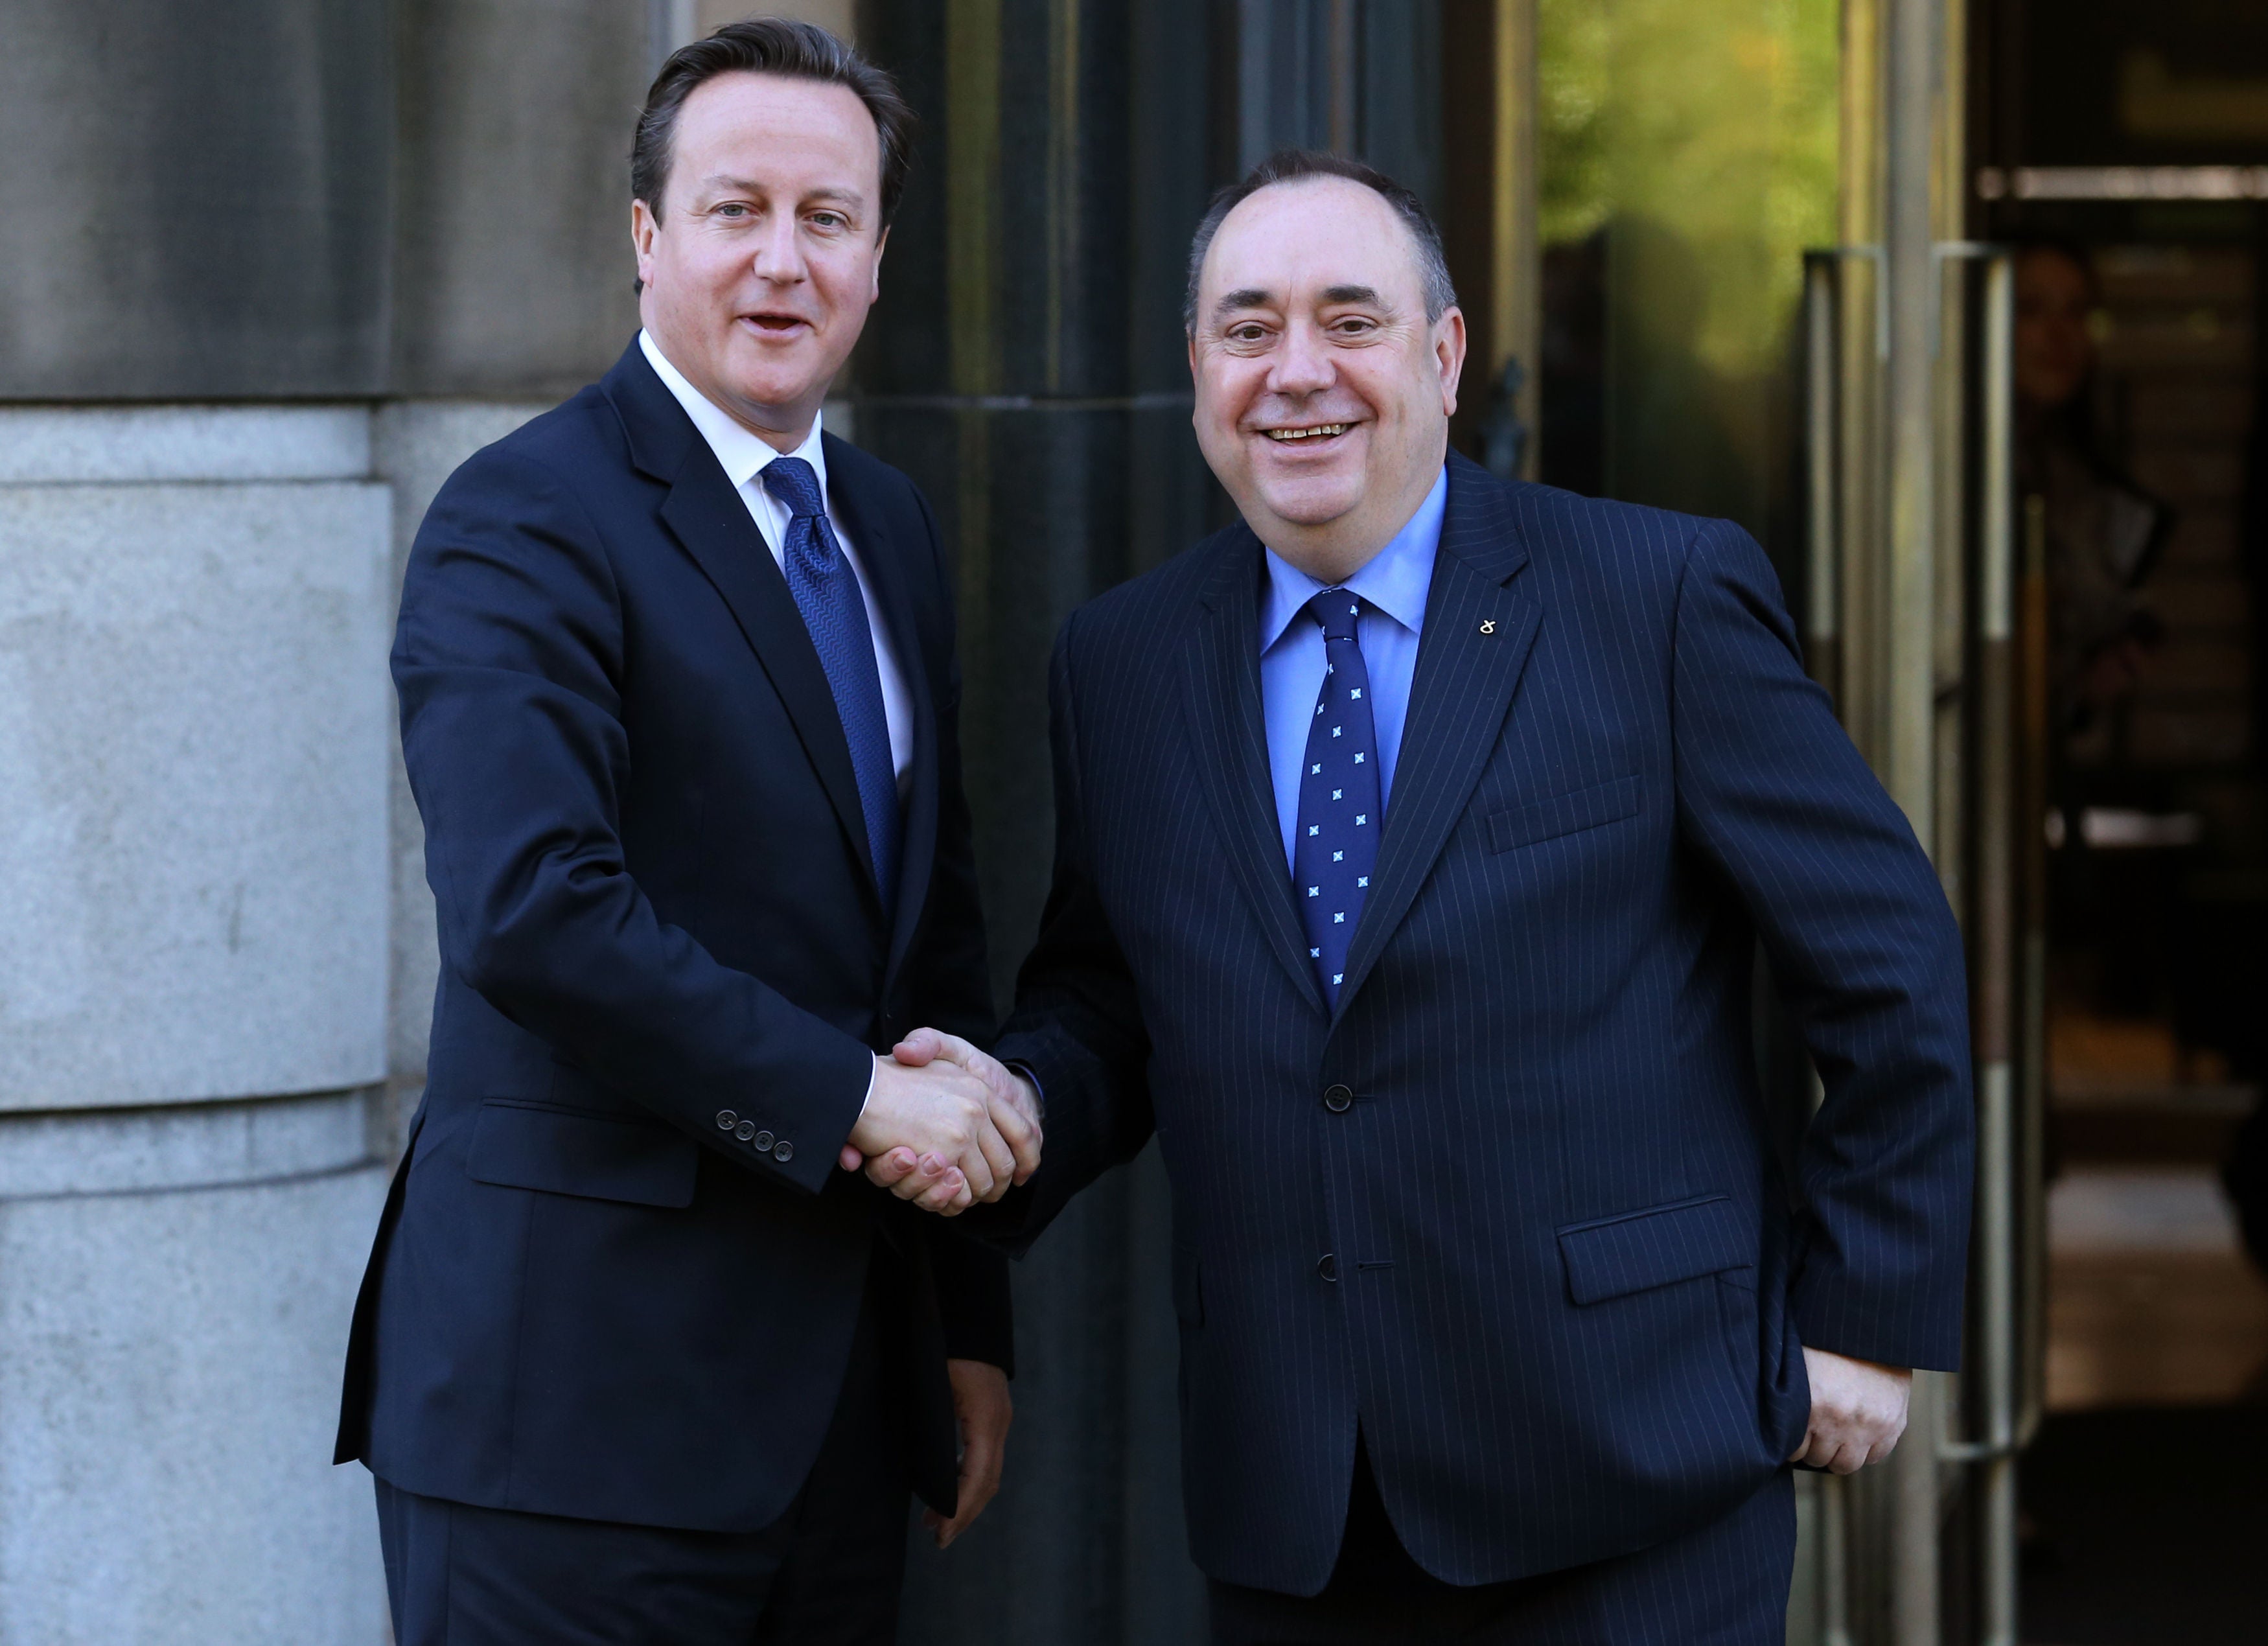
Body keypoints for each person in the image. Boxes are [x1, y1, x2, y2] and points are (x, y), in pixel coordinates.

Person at [871, 151, 1974, 1642]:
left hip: (1629, 1470)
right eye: (1248, 329)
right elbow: (1115, 996)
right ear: (1197, 368)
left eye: (1351, 319)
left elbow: (1887, 956)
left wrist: (1864, 1312)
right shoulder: (1120, 663)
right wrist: (1003, 1110)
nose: (1297, 373)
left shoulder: (1652, 597)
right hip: (1300, 1497)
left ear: (1444, 357)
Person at [332, 21, 1039, 1644]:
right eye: (735, 211)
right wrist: (862, 1102)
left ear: (876, 255)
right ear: (647, 238)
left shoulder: (888, 528)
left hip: (842, 1416)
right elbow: (534, 911)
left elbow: (928, 938)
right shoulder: (525, 516)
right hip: (570, 1421)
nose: (781, 262)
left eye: (829, 218)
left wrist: (965, 1318)